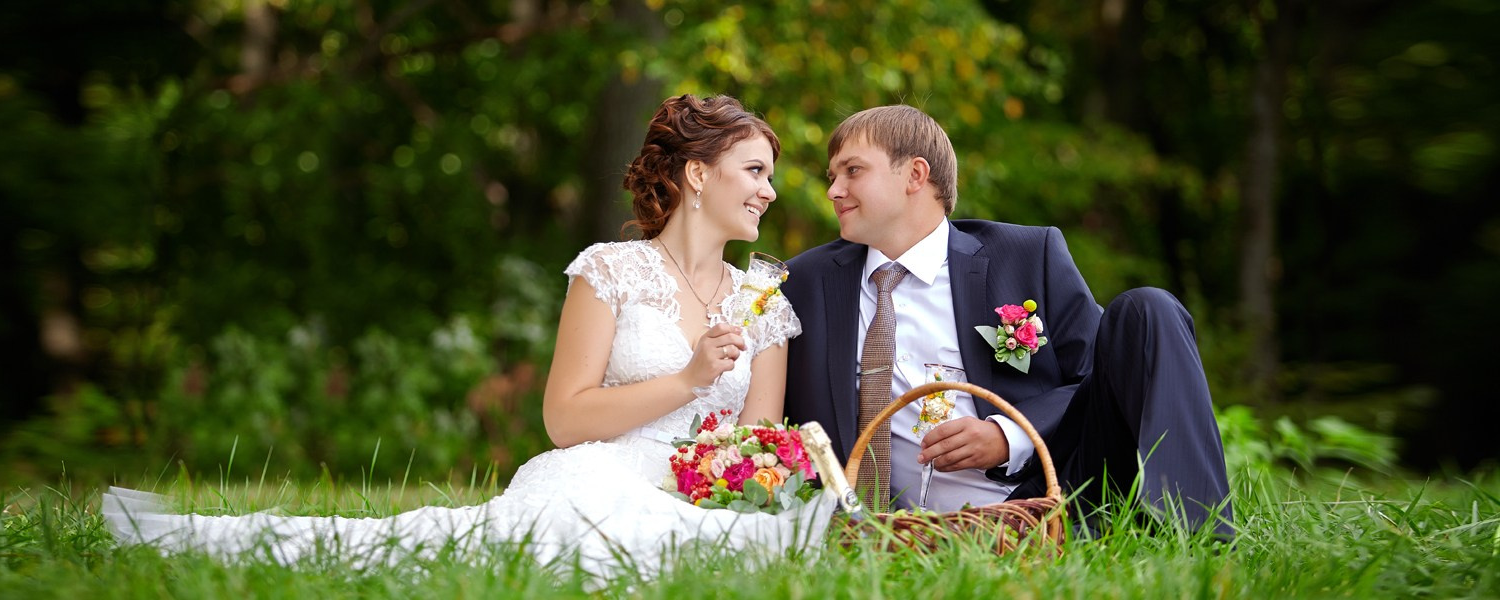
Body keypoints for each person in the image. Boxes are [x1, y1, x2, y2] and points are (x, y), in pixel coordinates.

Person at [103, 94, 834, 584]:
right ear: (699, 174)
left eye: (770, 175)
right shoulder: (609, 271)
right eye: (756, 170)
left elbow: (758, 437)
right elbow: (565, 418)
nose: (770, 190)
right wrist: (686, 380)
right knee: (446, 545)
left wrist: (729, 478)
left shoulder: (761, 300)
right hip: (598, 473)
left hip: (697, 493)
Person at [781, 104, 1234, 538]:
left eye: (852, 171)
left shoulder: (1027, 256)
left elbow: (1097, 377)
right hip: (883, 529)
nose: (834, 190)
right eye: (833, 176)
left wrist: (1009, 434)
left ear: (915, 175)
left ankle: (1201, 536)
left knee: (1148, 308)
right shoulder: (803, 281)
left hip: (1049, 498)